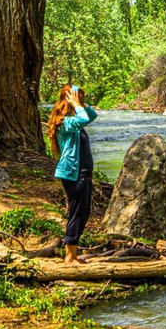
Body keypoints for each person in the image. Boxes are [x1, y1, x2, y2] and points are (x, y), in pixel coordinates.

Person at [48, 85, 98, 265]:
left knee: (82, 213)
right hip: (74, 174)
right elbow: (84, 118)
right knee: (77, 213)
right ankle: (69, 257)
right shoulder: (65, 122)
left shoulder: (73, 120)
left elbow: (91, 116)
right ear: (68, 99)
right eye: (78, 97)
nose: (81, 101)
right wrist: (76, 105)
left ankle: (73, 254)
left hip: (82, 174)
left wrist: (81, 104)